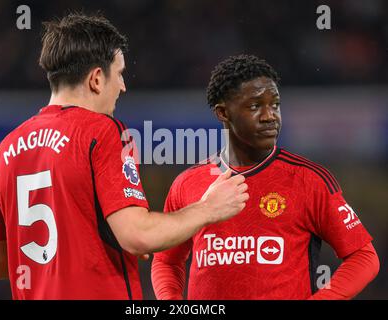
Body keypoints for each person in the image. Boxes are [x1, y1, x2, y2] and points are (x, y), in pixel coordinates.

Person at [0, 13, 249, 300]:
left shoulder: (4, 151)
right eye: (119, 73)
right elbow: (138, 236)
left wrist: (89, 241)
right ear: (97, 78)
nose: (123, 86)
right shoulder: (102, 131)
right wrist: (208, 208)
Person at [151, 54, 380, 300]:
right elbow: (166, 261)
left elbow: (364, 257)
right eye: (254, 106)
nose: (269, 115)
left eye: (275, 105)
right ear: (223, 113)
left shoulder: (308, 180)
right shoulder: (187, 184)